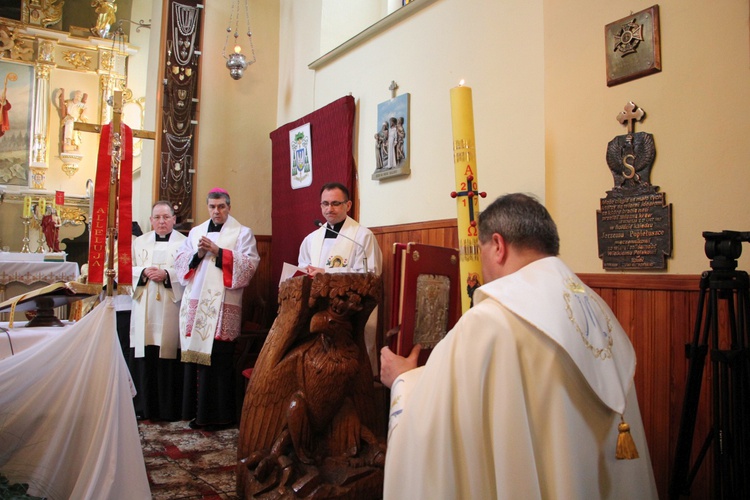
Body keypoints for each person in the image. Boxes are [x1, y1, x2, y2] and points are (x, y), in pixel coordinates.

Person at [380, 193, 658, 499]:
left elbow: (432, 433)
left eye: (480, 252)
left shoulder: (491, 322)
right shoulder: (597, 307)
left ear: (498, 246)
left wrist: (403, 380)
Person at [175, 188, 260, 430]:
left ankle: (220, 416)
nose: (217, 211)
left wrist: (218, 252)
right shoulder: (195, 232)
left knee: (219, 359)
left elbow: (249, 265)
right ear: (208, 207)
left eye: (221, 206)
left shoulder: (242, 233)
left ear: (229, 207)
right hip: (196, 302)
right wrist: (199, 253)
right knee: (197, 361)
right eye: (212, 206)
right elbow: (181, 263)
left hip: (223, 306)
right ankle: (197, 413)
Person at [297, 182, 383, 374]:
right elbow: (303, 268)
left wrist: (327, 274)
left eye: (336, 203)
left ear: (348, 205)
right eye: (325, 204)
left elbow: (371, 275)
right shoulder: (312, 239)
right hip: (318, 310)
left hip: (350, 311)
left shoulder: (362, 237)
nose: (329, 209)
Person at [130, 201, 187, 421]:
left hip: (171, 305)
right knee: (145, 354)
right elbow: (129, 269)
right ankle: (144, 408)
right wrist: (144, 271)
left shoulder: (185, 243)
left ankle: (169, 409)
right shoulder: (139, 242)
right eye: (157, 217)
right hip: (144, 304)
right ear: (151, 220)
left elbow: (188, 272)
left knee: (169, 354)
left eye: (166, 217)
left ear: (174, 219)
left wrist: (167, 275)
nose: (161, 222)